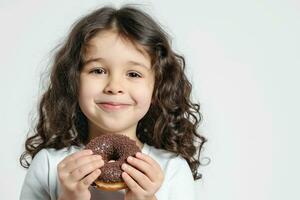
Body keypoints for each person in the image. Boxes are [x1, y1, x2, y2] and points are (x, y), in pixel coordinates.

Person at [19, 5, 207, 200]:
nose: (114, 86)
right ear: (73, 81)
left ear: (157, 89)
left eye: (133, 74)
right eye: (98, 71)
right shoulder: (50, 165)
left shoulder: (171, 169)